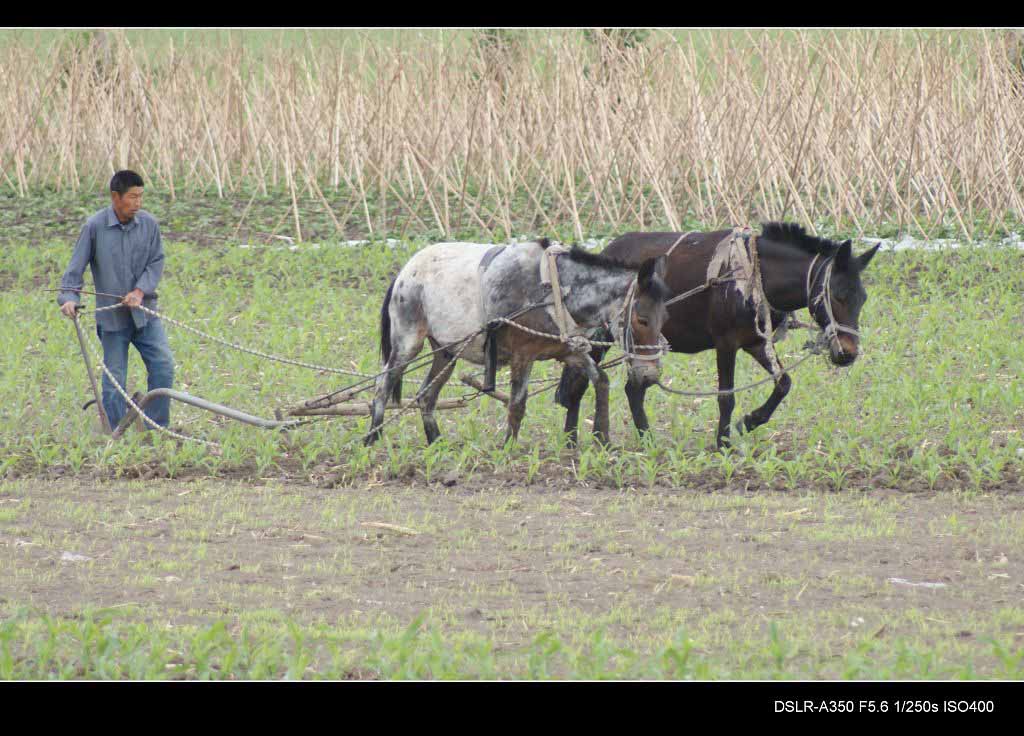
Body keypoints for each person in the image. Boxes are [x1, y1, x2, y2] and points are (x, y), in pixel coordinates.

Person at [58, 170, 174, 430]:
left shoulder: (149, 225)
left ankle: (157, 428)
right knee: (114, 380)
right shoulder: (94, 227)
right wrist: (68, 299)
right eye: (132, 197)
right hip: (113, 321)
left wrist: (140, 291)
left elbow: (156, 261)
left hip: (145, 313)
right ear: (115, 197)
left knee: (163, 366)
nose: (138, 203)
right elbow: (73, 272)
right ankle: (116, 432)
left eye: (141, 197)